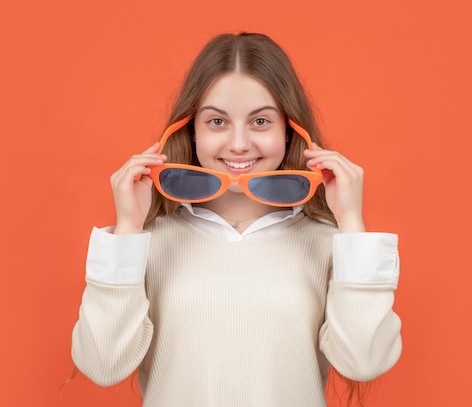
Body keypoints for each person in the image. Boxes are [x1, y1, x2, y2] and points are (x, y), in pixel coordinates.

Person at [71, 32, 402, 407]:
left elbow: (364, 362)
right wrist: (128, 230)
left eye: (260, 121)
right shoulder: (148, 242)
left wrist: (352, 226)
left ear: (290, 134)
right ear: (191, 130)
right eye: (217, 122)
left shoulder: (329, 243)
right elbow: (102, 365)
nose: (240, 143)